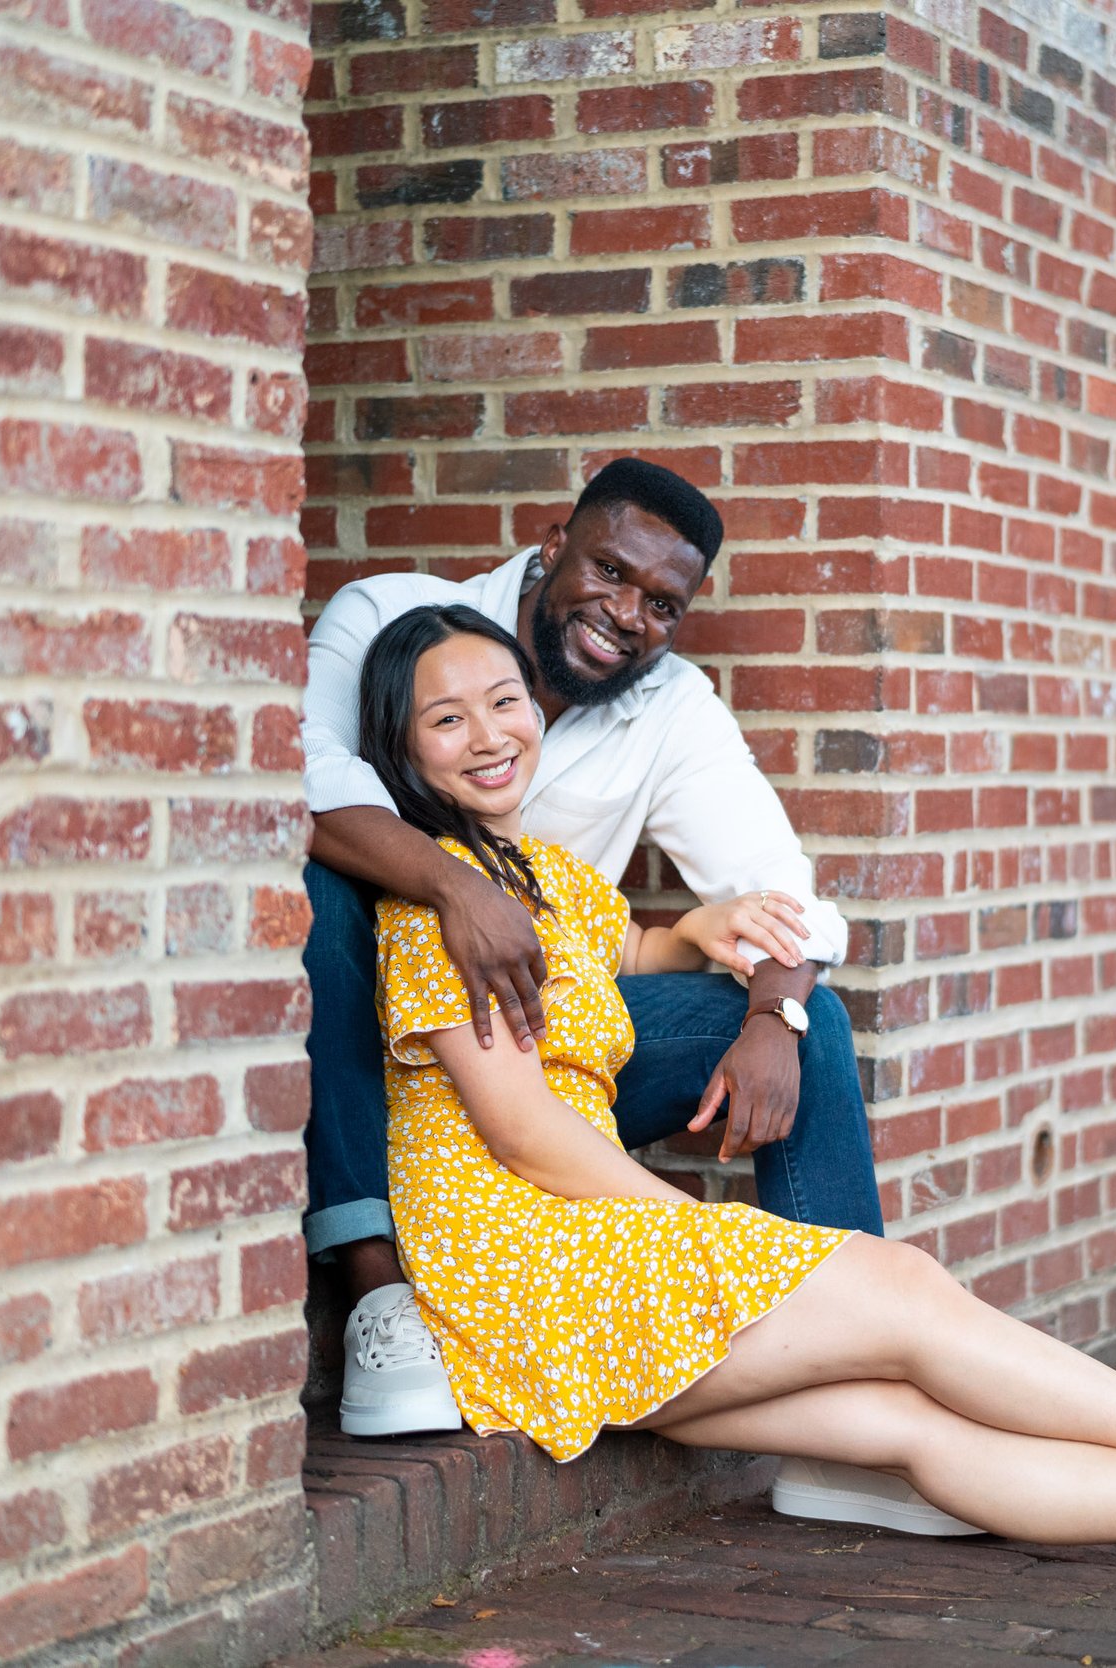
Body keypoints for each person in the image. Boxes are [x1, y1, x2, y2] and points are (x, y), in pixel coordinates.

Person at [355, 603, 1116, 1601]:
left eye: (505, 701)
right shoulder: (432, 917)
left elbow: (620, 941)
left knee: (906, 1426)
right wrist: (684, 1223)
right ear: (402, 748)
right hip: (521, 1259)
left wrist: (689, 931)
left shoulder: (538, 877)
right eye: (446, 720)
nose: (491, 733)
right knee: (903, 1290)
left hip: (556, 1274)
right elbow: (521, 1130)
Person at [301, 459, 926, 1531]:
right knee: (321, 898)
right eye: (608, 571)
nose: (624, 615)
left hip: (549, 1037)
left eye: (661, 604)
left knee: (808, 1015)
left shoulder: (671, 708)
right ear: (554, 545)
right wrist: (453, 885)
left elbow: (783, 898)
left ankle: (841, 1411)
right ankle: (373, 1283)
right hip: (386, 1036)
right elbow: (300, 780)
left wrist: (775, 1017)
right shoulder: (387, 615)